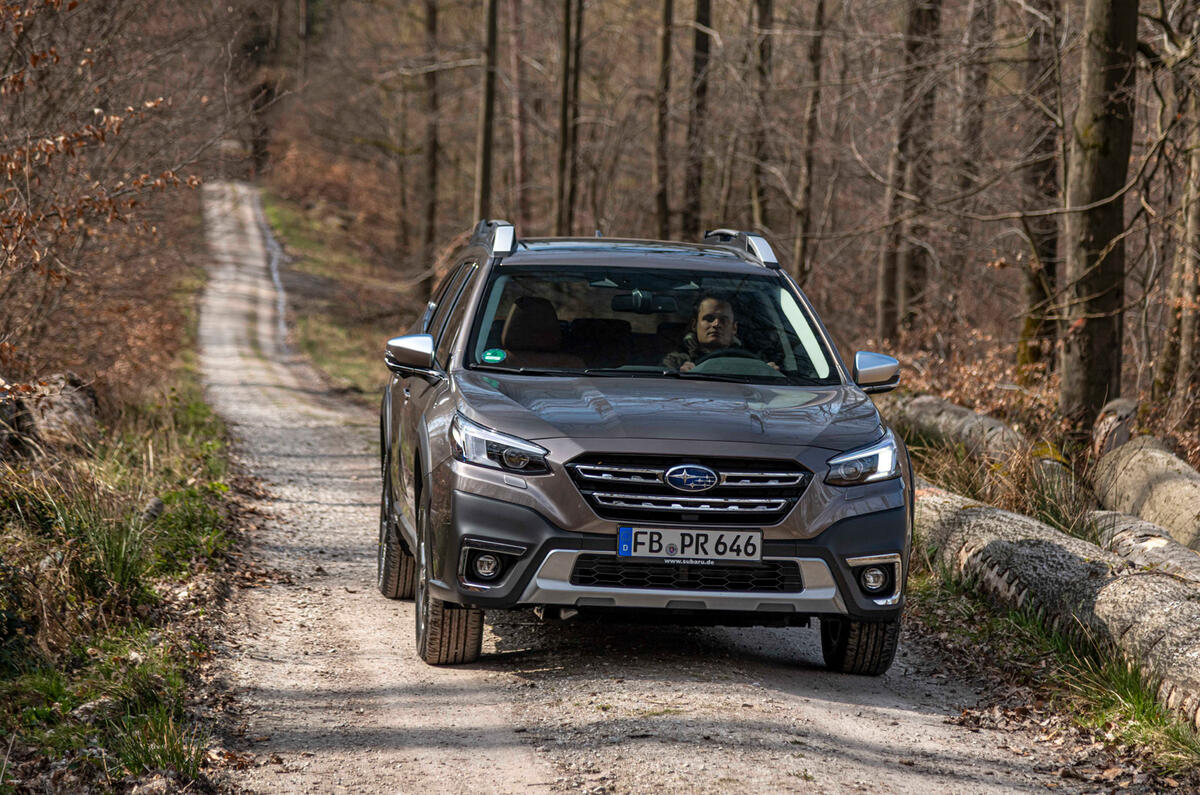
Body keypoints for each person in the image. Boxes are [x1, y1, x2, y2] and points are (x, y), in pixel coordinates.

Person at [663, 294, 775, 372]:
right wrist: (679, 375)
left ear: (734, 328)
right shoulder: (675, 362)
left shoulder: (755, 363)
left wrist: (771, 374)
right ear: (694, 325)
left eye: (723, 320)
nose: (716, 324)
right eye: (709, 318)